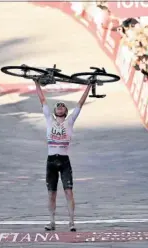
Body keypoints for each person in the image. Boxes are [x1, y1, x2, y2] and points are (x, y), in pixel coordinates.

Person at [35, 80, 92, 232]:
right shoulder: (49, 120)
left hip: (64, 160)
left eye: (62, 106)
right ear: (54, 111)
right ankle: (51, 222)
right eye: (57, 106)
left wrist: (89, 86)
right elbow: (42, 100)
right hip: (51, 160)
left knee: (68, 192)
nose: (60, 107)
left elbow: (80, 103)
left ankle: (72, 222)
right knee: (51, 193)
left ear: (66, 111)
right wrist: (36, 83)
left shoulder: (70, 121)